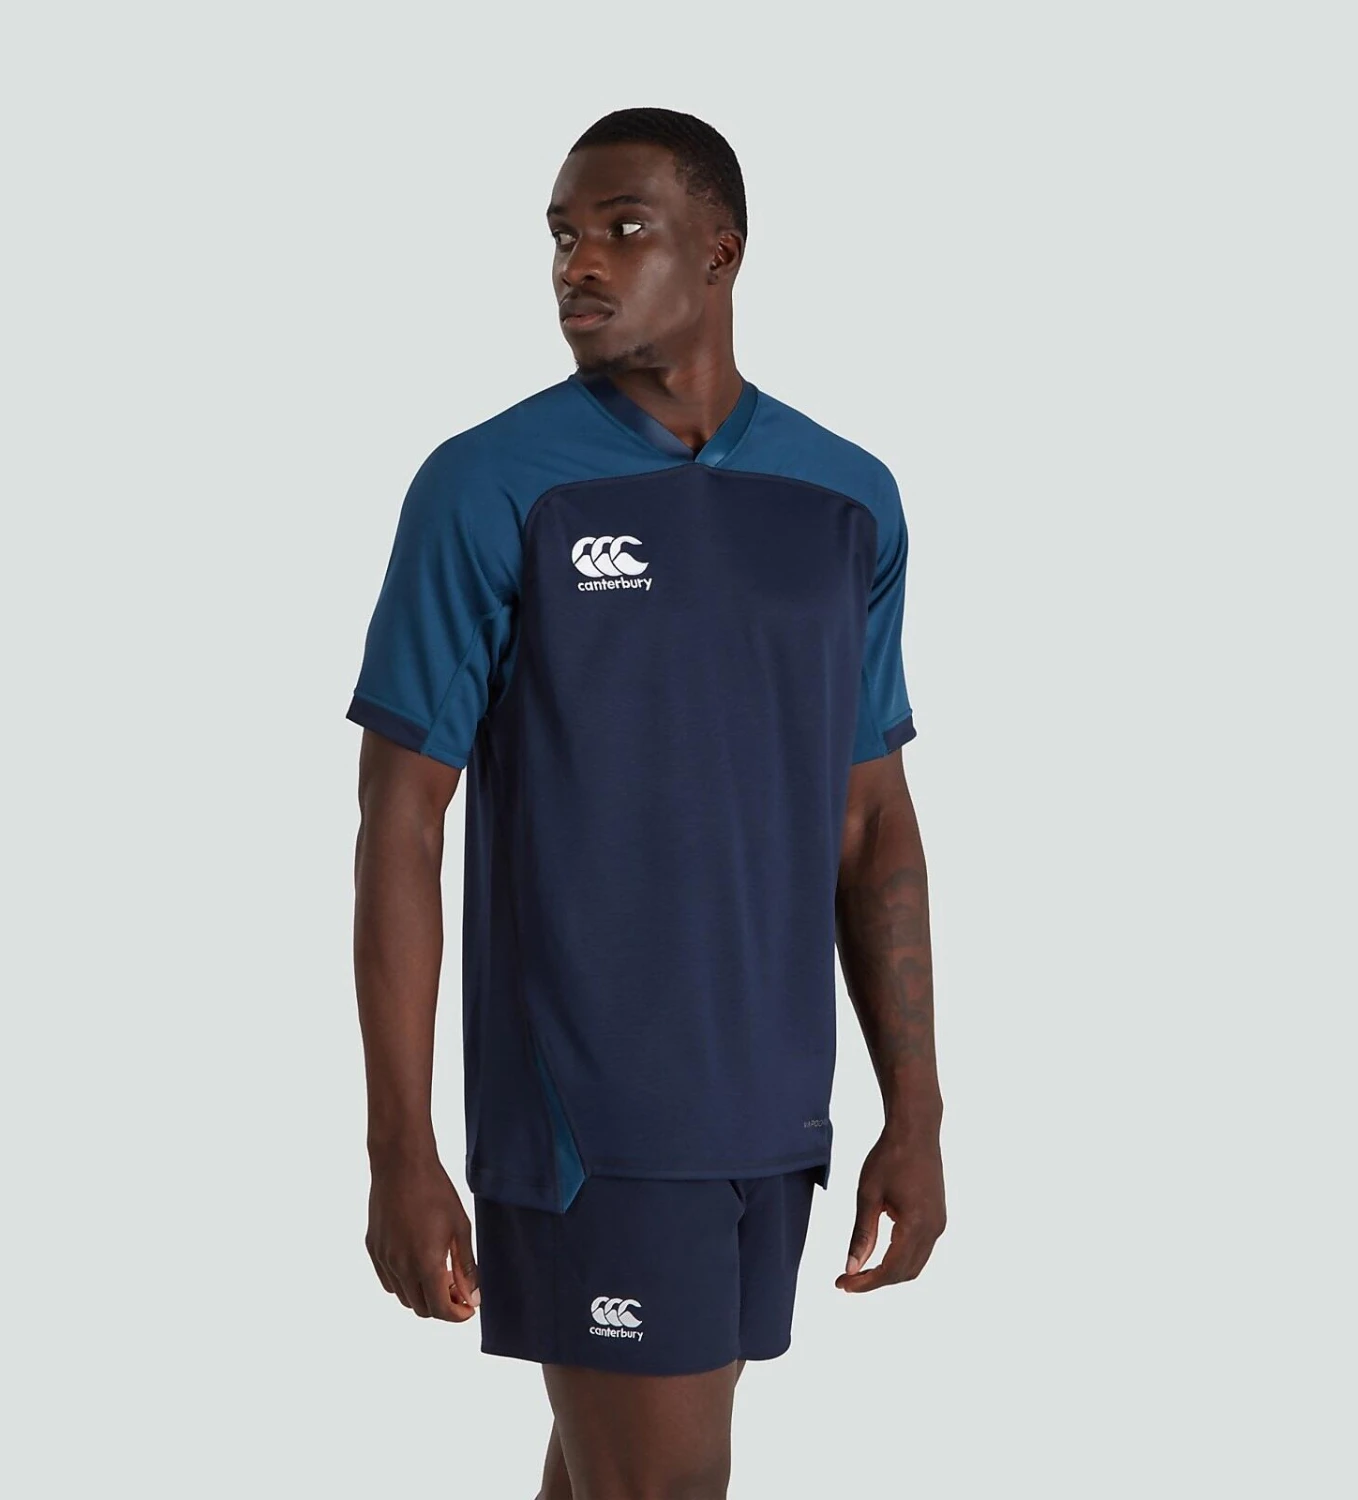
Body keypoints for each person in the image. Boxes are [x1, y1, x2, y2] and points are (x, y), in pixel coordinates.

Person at [346, 107, 946, 1500]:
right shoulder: (489, 486)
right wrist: (400, 1147)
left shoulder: (847, 497)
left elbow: (871, 822)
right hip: (592, 1120)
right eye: (563, 236)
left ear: (722, 252)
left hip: (776, 1113)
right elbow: (401, 823)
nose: (581, 264)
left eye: (624, 229)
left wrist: (914, 1111)